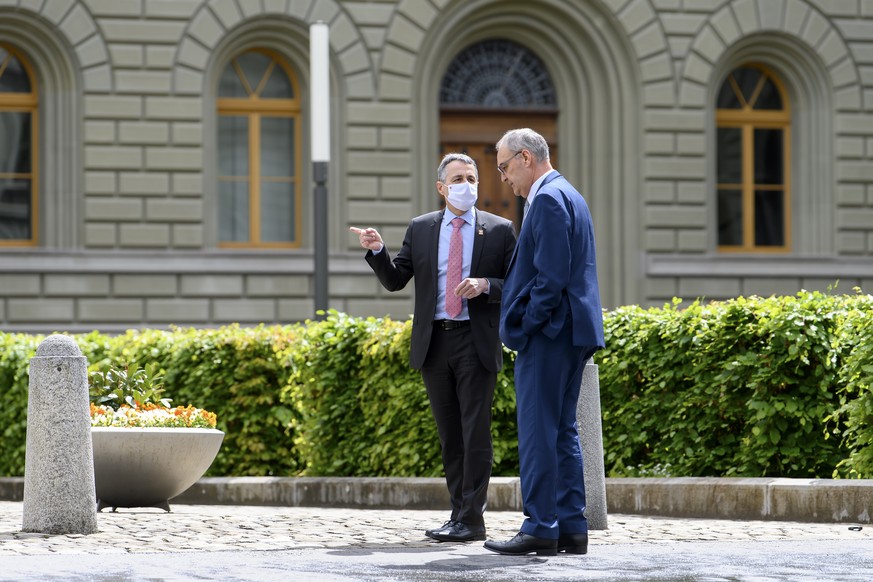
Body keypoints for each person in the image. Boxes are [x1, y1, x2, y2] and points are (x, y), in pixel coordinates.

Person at [350, 153, 516, 542]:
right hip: (435, 342)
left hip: (475, 341)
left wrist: (485, 285)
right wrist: (377, 252)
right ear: (442, 187)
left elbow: (518, 284)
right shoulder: (422, 228)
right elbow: (396, 280)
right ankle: (459, 514)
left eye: (472, 178)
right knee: (450, 435)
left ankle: (473, 519)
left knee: (476, 432)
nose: (467, 185)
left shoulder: (500, 229)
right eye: (458, 178)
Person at [483, 128, 604, 557]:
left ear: (525, 158)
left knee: (539, 432)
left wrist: (526, 324)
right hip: (571, 331)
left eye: (503, 167)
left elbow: (551, 278)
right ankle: (571, 527)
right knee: (561, 432)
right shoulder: (568, 193)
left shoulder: (549, 199)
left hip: (551, 332)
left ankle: (539, 526)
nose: (503, 178)